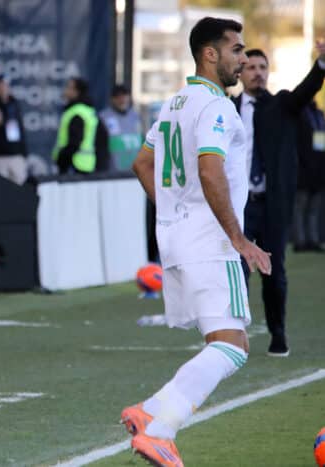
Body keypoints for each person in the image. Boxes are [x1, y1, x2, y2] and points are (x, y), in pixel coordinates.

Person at [123, 17, 271, 466]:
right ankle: (160, 429)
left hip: (177, 242)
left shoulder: (174, 103)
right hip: (211, 243)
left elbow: (142, 164)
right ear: (210, 54)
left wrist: (173, 209)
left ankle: (150, 411)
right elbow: (210, 169)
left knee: (226, 341)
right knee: (232, 346)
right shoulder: (216, 106)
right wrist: (238, 239)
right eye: (236, 49)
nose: (242, 58)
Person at [232, 42, 325, 356]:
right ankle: (235, 333)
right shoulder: (226, 109)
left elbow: (306, 90)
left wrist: (321, 64)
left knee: (274, 272)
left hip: (273, 204)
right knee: (236, 270)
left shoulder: (282, 105)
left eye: (262, 67)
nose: (258, 73)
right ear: (240, 72)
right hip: (239, 205)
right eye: (251, 67)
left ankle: (278, 333)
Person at [52, 77, 108, 174]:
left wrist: (61, 161)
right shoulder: (88, 111)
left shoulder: (76, 113)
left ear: (76, 92)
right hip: (87, 165)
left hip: (74, 166)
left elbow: (74, 143)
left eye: (69, 87)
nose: (66, 90)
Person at [294, 100, 325, 252]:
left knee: (314, 208)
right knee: (301, 207)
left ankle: (313, 239)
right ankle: (300, 241)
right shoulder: (301, 115)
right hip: (303, 171)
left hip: (318, 171)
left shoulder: (319, 115)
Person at [99, 83, 143, 171]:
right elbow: (100, 147)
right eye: (118, 97)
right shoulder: (104, 117)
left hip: (135, 171)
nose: (121, 99)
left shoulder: (136, 116)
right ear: (112, 99)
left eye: (124, 96)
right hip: (113, 172)